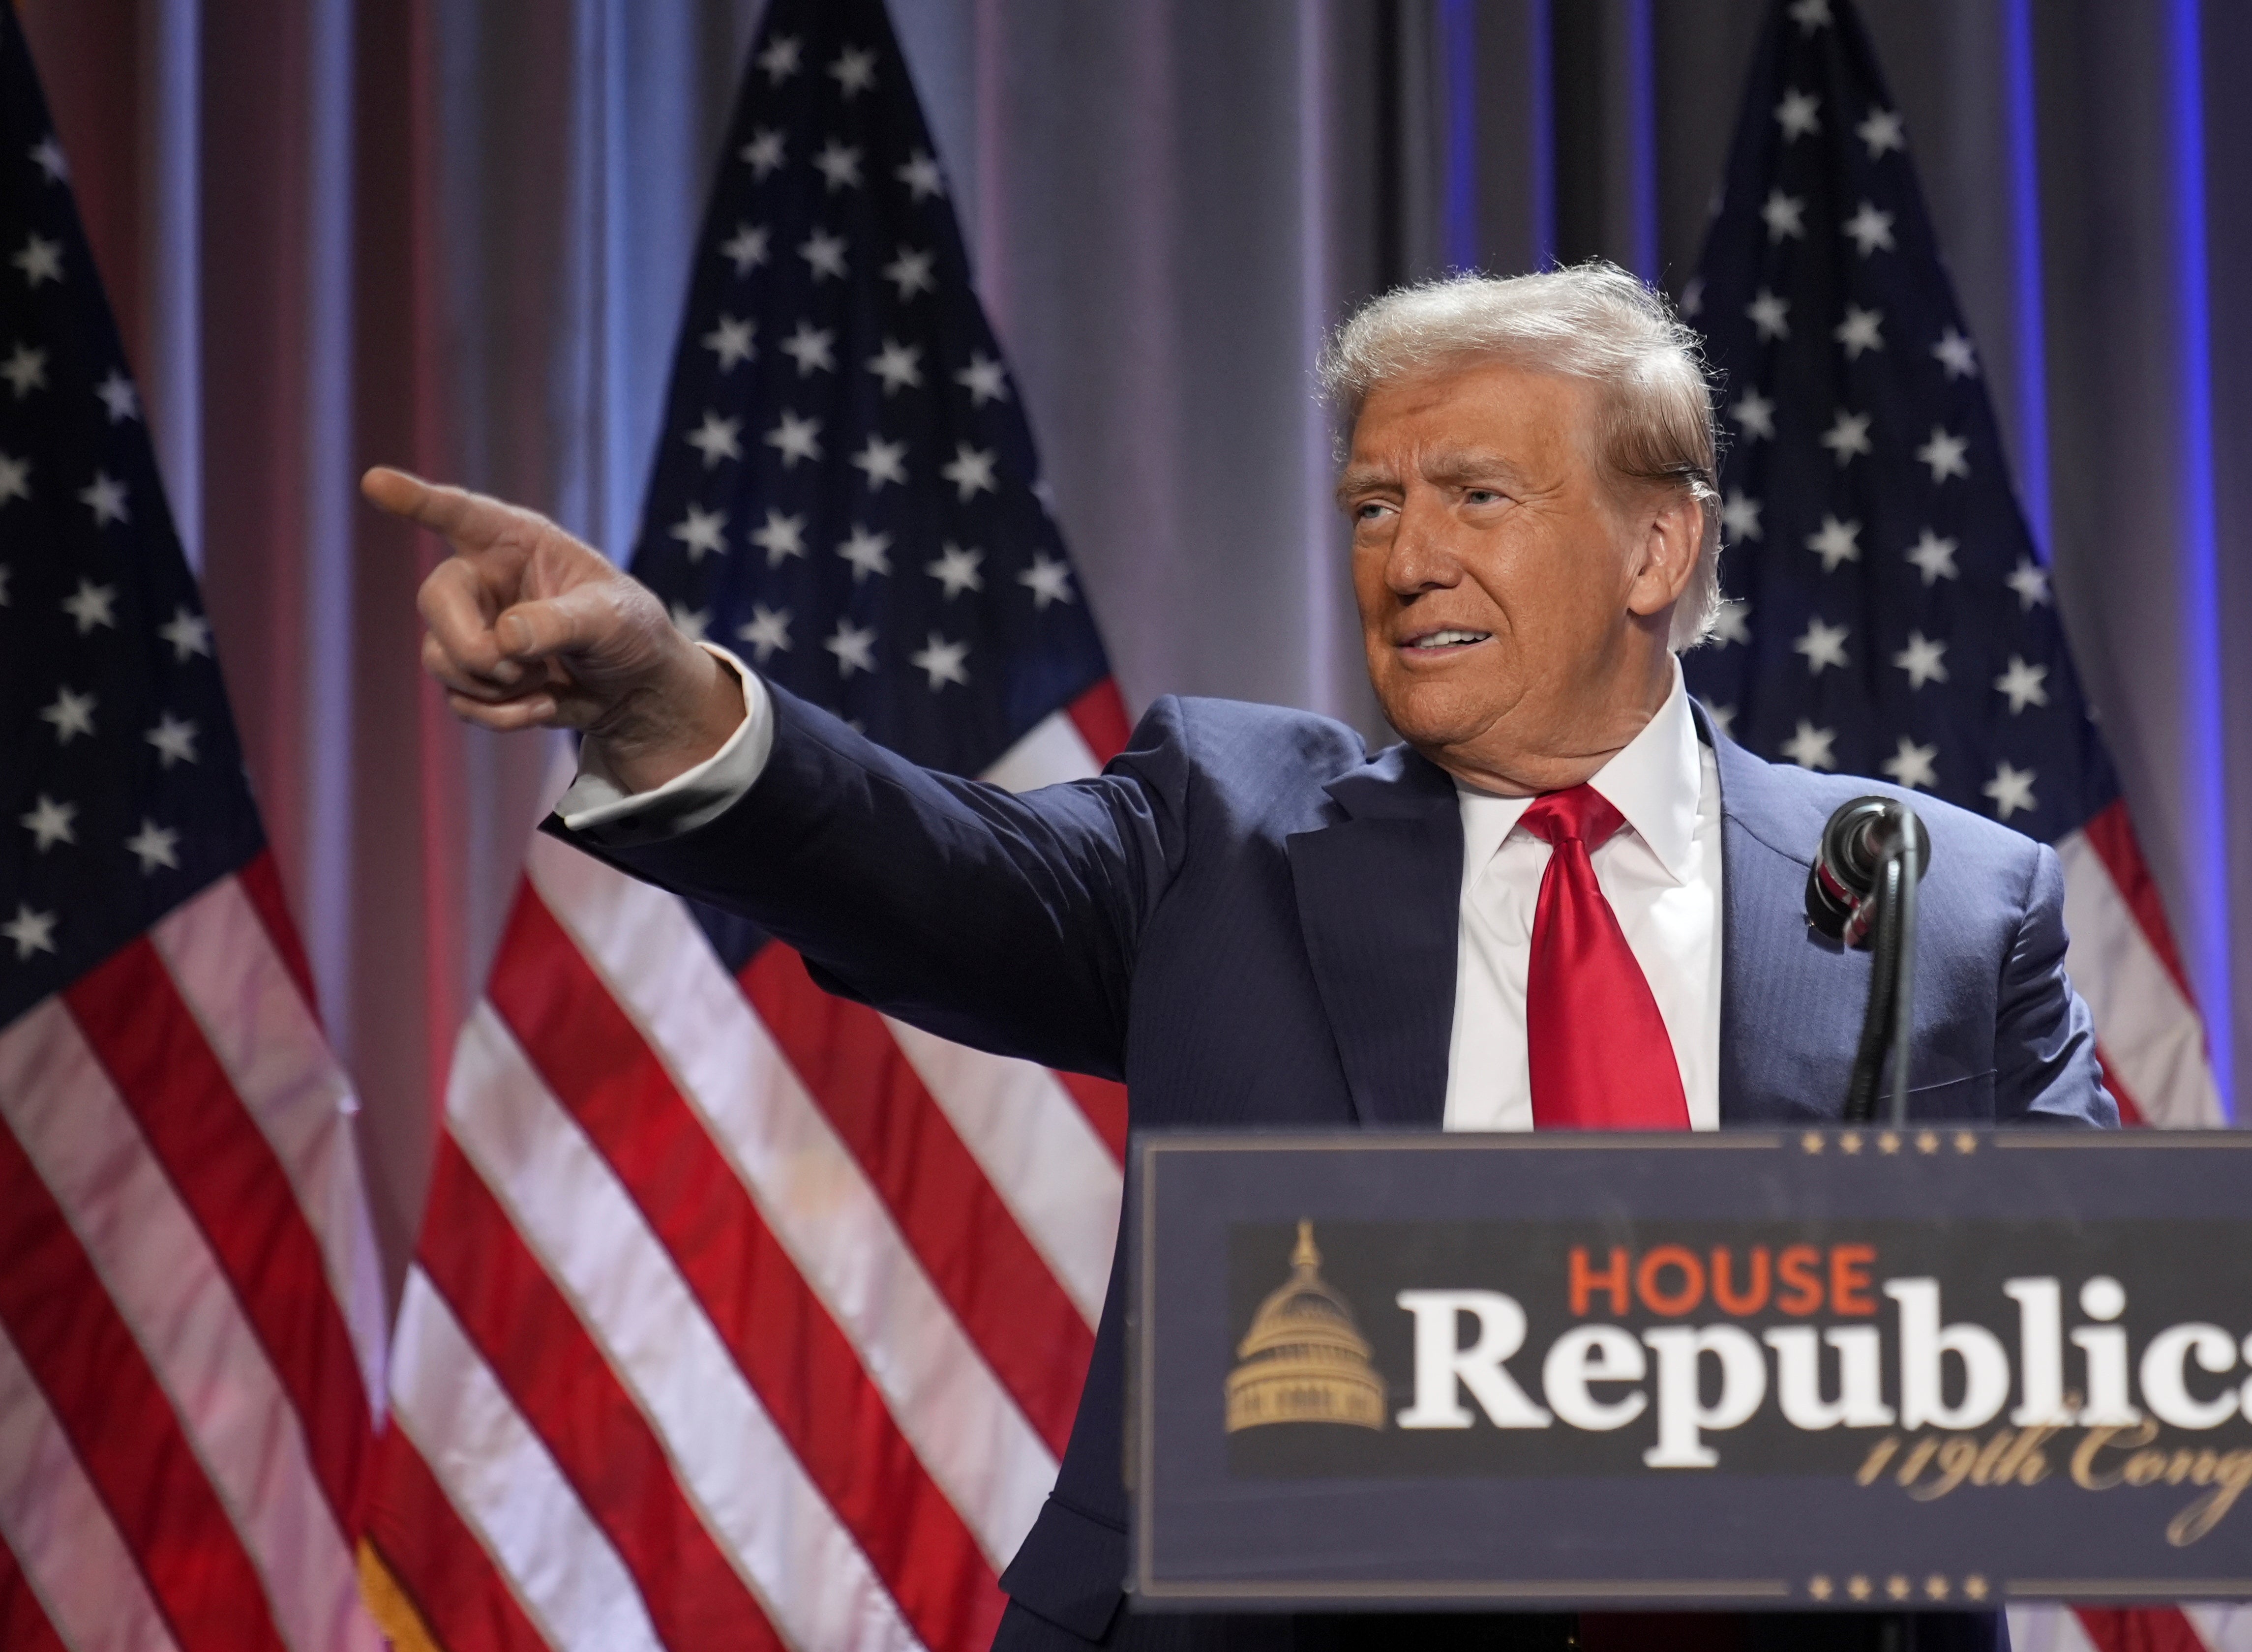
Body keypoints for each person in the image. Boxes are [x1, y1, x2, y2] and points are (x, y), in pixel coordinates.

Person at [368, 263, 2115, 1652]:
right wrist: (673, 697)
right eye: (1372, 505)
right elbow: (929, 869)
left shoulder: (1941, 901)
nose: (1407, 556)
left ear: (1659, 545)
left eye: (1475, 494)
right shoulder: (1227, 828)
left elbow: (2091, 1362)